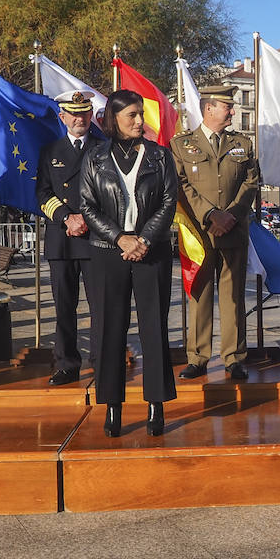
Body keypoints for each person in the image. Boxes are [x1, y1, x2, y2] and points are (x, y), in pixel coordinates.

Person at [78, 89, 180, 437]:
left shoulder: (160, 156)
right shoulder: (94, 158)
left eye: (140, 115)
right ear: (114, 120)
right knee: (110, 329)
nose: (140, 121)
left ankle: (156, 404)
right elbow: (88, 206)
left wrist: (144, 240)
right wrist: (120, 238)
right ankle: (112, 406)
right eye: (131, 116)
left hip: (151, 250)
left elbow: (169, 202)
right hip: (108, 251)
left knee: (154, 327)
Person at [171, 89, 261, 381]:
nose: (232, 112)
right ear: (209, 108)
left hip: (233, 230)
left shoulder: (242, 144)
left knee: (233, 296)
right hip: (199, 233)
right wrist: (211, 215)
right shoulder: (182, 144)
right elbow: (180, 184)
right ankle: (197, 357)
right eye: (227, 107)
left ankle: (234, 358)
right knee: (199, 294)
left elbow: (252, 183)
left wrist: (230, 215)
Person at [35, 90, 104, 385]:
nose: (80, 119)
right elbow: (42, 193)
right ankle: (66, 364)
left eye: (85, 113)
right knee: (64, 306)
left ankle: (103, 361)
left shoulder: (104, 149)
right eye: (74, 114)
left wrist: (85, 219)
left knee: (101, 306)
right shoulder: (50, 151)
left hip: (96, 238)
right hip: (62, 239)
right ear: (62, 117)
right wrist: (67, 217)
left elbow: (111, 193)